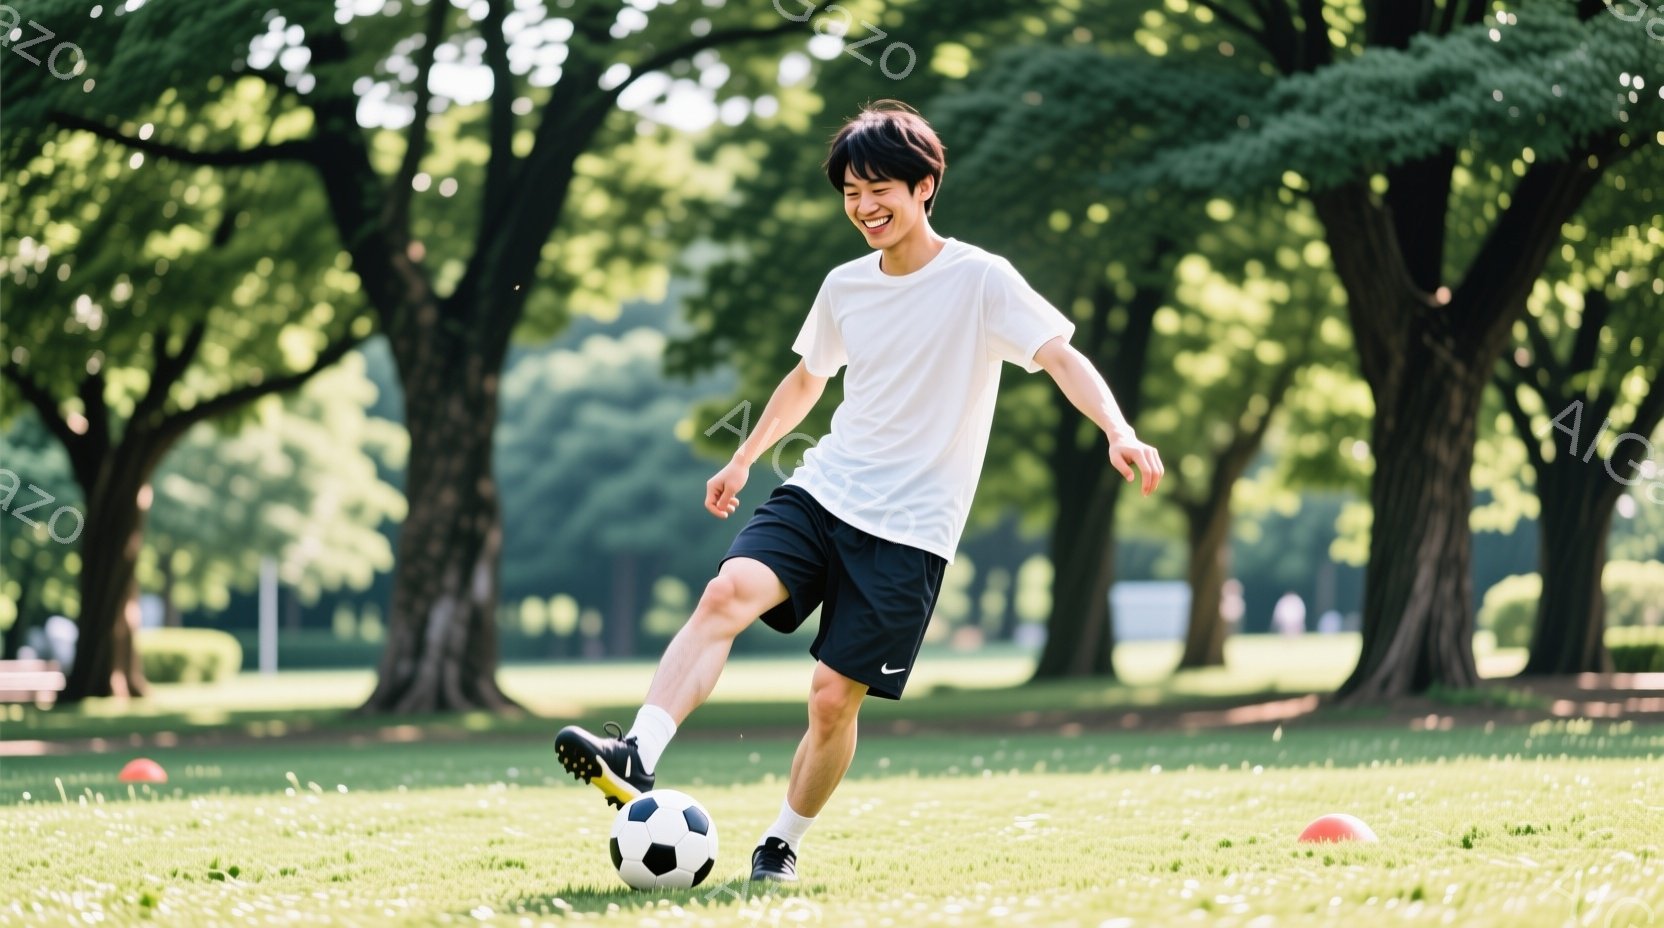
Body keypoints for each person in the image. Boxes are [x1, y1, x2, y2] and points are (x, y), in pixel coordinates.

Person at [555, 101, 1164, 883]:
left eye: (880, 190)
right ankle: (636, 754)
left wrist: (1117, 429)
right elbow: (807, 378)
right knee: (725, 592)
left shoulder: (981, 279)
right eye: (851, 193)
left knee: (830, 699)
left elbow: (1060, 356)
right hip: (825, 489)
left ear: (924, 186)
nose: (865, 207)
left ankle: (782, 841)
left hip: (912, 528)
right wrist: (744, 458)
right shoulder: (844, 285)